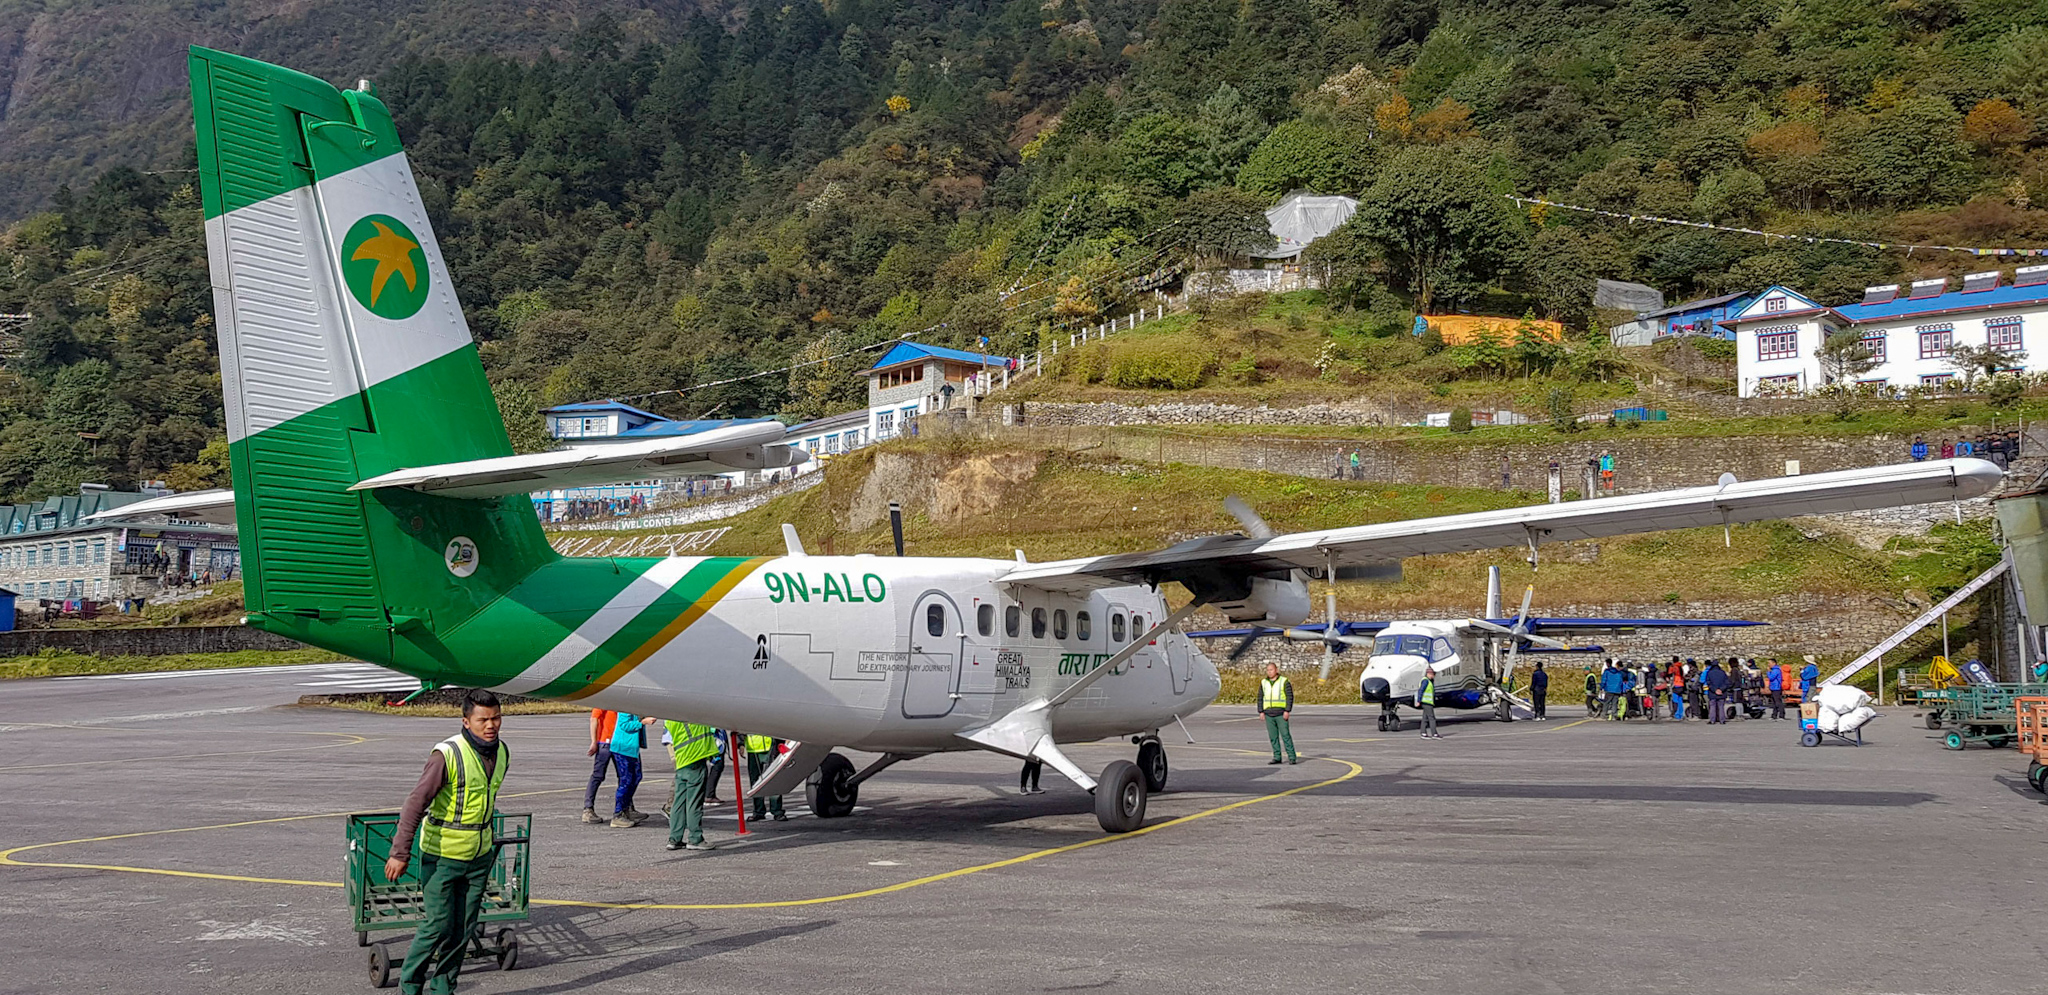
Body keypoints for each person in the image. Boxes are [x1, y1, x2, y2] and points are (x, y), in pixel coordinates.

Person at [386, 689, 509, 995]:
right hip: (442, 855)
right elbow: (415, 803)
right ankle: (410, 985)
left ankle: (443, 987)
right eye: (483, 720)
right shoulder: (447, 755)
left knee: (463, 929)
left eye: (495, 718)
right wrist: (400, 853)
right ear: (466, 721)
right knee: (438, 926)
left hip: (479, 856)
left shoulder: (503, 752)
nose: (490, 725)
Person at [662, 719, 721, 852]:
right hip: (695, 760)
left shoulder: (672, 720)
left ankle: (674, 839)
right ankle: (695, 838)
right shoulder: (696, 717)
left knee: (679, 802)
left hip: (682, 761)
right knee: (694, 802)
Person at [608, 711, 647, 827]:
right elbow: (624, 724)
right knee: (626, 781)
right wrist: (642, 723)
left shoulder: (636, 707)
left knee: (636, 777)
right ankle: (618, 814)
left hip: (631, 748)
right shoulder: (625, 707)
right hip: (623, 748)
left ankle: (626, 809)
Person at [581, 709, 617, 825]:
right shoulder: (604, 701)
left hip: (619, 742)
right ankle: (588, 809)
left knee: (625, 776)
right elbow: (594, 719)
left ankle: (627, 808)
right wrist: (594, 741)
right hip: (605, 742)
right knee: (598, 776)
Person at [1259, 663, 1299, 764]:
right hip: (1269, 713)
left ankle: (1292, 757)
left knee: (1285, 735)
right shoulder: (1263, 682)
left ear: (1276, 670)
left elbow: (1289, 696)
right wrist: (1261, 711)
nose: (1269, 672)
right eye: (1267, 670)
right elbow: (1260, 697)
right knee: (1273, 737)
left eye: (1271, 670)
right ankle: (1277, 756)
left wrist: (1287, 710)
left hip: (1281, 713)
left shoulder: (1284, 681)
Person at [742, 733, 787, 821]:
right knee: (755, 781)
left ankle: (777, 810)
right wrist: (740, 743)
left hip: (770, 746)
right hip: (753, 748)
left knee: (773, 779)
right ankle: (758, 811)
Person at [1704, 660, 1731, 724]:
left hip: (1712, 692)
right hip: (1722, 692)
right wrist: (1721, 689)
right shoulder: (1723, 672)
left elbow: (1708, 683)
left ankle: (1712, 720)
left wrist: (1715, 690)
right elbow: (1727, 683)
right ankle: (1722, 720)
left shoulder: (1709, 673)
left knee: (1712, 706)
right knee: (1721, 706)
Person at [1417, 666, 1441, 739]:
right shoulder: (1426, 681)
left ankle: (1423, 733)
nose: (1433, 676)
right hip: (1427, 702)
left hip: (1426, 702)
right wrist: (1418, 700)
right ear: (1428, 674)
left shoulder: (1428, 681)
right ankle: (1434, 734)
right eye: (1432, 674)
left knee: (1425, 718)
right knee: (1432, 718)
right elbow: (1420, 690)